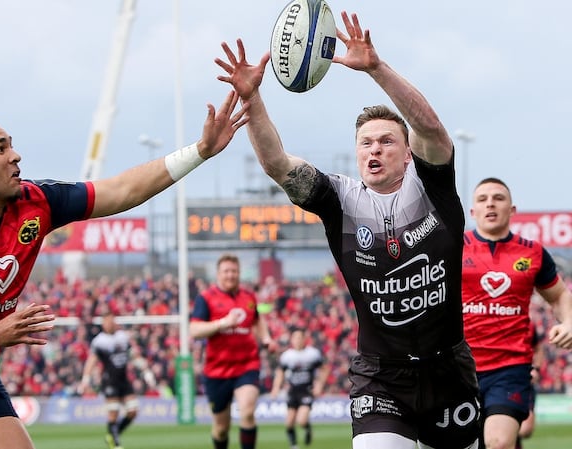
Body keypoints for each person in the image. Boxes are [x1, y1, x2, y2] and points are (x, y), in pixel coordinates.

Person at [0, 90, 249, 449]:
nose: (15, 156)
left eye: (12, 145)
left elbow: (119, 191)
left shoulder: (36, 201)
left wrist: (200, 151)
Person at [215, 11, 482, 449]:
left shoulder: (432, 186)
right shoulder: (339, 199)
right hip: (380, 377)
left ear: (408, 153)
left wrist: (376, 69)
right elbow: (278, 164)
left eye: (387, 141)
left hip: (448, 371)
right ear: (357, 153)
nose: (375, 149)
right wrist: (253, 97)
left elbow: (431, 128)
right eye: (366, 143)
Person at [462, 177, 572, 449]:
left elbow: (559, 295)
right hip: (458, 368)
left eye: (498, 198)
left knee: (499, 442)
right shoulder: (454, 248)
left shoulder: (533, 253)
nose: (490, 204)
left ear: (512, 210)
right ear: (473, 211)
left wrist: (569, 321)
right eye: (483, 199)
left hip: (509, 368)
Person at [190, 253, 276, 449]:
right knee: (221, 429)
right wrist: (223, 323)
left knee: (247, 412)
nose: (230, 275)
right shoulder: (206, 298)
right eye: (226, 271)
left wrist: (266, 338)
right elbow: (194, 330)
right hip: (217, 370)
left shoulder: (248, 296)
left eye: (234, 271)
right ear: (218, 274)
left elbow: (257, 320)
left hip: (247, 365)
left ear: (239, 273)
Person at [78, 312, 155, 449]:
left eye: (112, 321)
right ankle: (115, 444)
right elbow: (92, 361)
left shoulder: (123, 337)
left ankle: (113, 435)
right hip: (109, 381)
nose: (110, 324)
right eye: (107, 321)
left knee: (133, 411)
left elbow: (133, 355)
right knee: (113, 413)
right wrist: (86, 379)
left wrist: (146, 372)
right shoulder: (99, 341)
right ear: (103, 324)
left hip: (124, 380)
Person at [269, 328, 327, 448]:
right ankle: (294, 445)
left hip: (306, 390)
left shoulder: (312, 354)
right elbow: (280, 372)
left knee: (302, 420)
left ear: (305, 339)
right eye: (295, 338)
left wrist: (319, 385)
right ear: (292, 340)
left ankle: (307, 428)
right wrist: (275, 388)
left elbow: (324, 369)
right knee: (289, 422)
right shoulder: (287, 356)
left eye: (300, 338)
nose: (297, 340)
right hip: (293, 391)